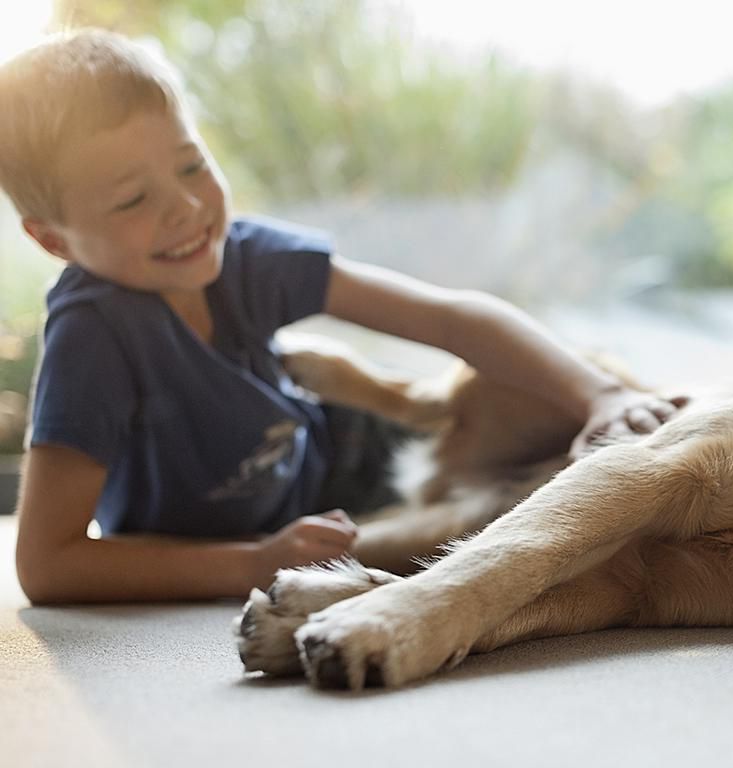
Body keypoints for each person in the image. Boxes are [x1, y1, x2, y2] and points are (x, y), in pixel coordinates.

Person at [1, 29, 681, 605]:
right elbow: (48, 564)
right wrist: (250, 563)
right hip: (274, 524)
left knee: (554, 408)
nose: (184, 207)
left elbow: (449, 319)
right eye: (131, 200)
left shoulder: (247, 257)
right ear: (54, 240)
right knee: (491, 526)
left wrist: (603, 396)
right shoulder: (92, 336)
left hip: (337, 450)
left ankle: (627, 412)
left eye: (190, 165)